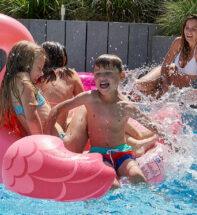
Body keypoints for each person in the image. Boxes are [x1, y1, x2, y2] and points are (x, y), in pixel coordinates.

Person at [46, 54, 164, 188]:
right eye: (97, 73)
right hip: (99, 155)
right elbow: (57, 109)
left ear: (121, 76)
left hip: (122, 153)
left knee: (138, 178)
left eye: (108, 73)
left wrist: (171, 141)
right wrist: (48, 138)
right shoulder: (89, 98)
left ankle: (153, 198)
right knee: (112, 184)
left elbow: (151, 124)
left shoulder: (125, 106)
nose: (102, 77)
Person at [37, 41, 156, 155]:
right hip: (61, 141)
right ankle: (136, 139)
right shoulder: (69, 74)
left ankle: (137, 138)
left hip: (44, 136)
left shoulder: (37, 78)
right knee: (92, 105)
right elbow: (85, 101)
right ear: (63, 59)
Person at [134, 14, 197, 99]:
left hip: (175, 88)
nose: (189, 31)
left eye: (194, 29)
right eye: (187, 28)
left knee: (139, 96)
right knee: (140, 86)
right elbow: (165, 64)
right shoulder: (179, 42)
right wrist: (165, 85)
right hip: (164, 74)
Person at [0, 40, 62, 136]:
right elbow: (32, 119)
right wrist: (40, 143)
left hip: (48, 138)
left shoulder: (14, 81)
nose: (41, 73)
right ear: (26, 64)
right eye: (39, 68)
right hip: (53, 140)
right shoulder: (25, 83)